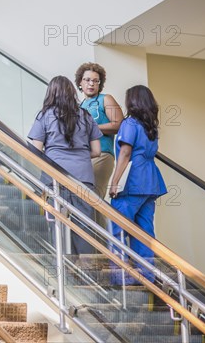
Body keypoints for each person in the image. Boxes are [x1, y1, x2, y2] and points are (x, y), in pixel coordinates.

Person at [28, 76, 103, 255]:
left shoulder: (45, 115)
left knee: (57, 223)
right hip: (83, 178)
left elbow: (35, 150)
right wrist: (80, 154)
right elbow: (97, 151)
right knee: (84, 228)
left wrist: (54, 152)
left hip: (55, 177)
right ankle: (87, 271)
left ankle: (63, 269)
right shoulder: (85, 115)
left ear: (51, 93)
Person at [108, 85, 167, 283]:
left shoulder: (130, 124)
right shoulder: (150, 126)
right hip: (150, 182)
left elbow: (125, 153)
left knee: (117, 228)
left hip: (132, 181)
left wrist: (114, 182)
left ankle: (119, 277)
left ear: (131, 102)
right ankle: (147, 275)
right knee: (145, 231)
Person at [75, 63, 124, 214]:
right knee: (84, 201)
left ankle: (98, 237)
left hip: (102, 154)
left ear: (100, 84)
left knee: (93, 199)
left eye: (95, 81)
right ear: (80, 83)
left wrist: (91, 127)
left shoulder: (105, 99)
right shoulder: (79, 106)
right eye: (87, 79)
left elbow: (119, 124)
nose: (91, 83)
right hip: (84, 156)